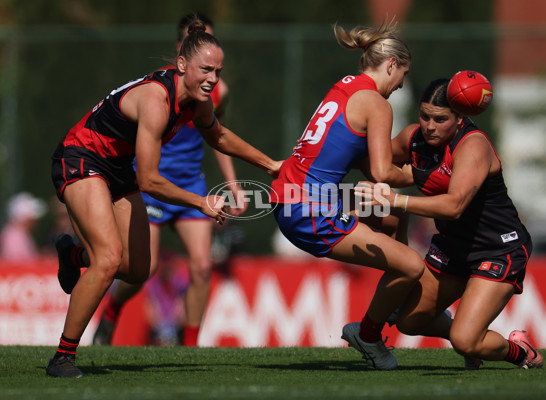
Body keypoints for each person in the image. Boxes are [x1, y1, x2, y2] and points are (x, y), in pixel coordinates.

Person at [47, 20, 279, 378]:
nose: (212, 79)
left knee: (138, 270)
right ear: (182, 64)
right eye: (205, 69)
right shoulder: (157, 100)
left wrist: (269, 165)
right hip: (81, 157)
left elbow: (217, 136)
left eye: (218, 71)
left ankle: (73, 253)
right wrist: (200, 202)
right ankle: (63, 356)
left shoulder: (199, 100)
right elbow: (150, 180)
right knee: (108, 260)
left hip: (116, 168)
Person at [354, 77, 544, 370]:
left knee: (465, 341)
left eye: (440, 119)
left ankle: (519, 350)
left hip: (497, 249)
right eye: (424, 116)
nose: (429, 126)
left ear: (459, 118)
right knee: (409, 321)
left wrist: (396, 200)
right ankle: (470, 334)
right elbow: (370, 158)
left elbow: (454, 206)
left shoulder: (473, 145)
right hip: (453, 248)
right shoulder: (414, 138)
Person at [270, 22, 424, 370]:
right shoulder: (378, 104)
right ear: (390, 65)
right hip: (310, 210)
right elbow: (384, 174)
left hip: (291, 196)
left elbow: (356, 158)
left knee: (395, 217)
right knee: (413, 264)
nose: (401, 83)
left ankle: (395, 298)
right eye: (403, 73)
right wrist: (428, 176)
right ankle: (368, 335)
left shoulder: (344, 87)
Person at [92, 12, 246, 348]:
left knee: (203, 267)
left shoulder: (218, 92)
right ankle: (112, 312)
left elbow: (217, 137)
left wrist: (232, 183)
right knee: (142, 270)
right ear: (182, 50)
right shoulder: (159, 90)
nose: (211, 67)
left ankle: (190, 347)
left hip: (191, 183)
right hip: (153, 185)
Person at [0, 192, 47, 260]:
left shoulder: (20, 233)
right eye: (32, 218)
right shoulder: (14, 236)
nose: (36, 221)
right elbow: (19, 264)